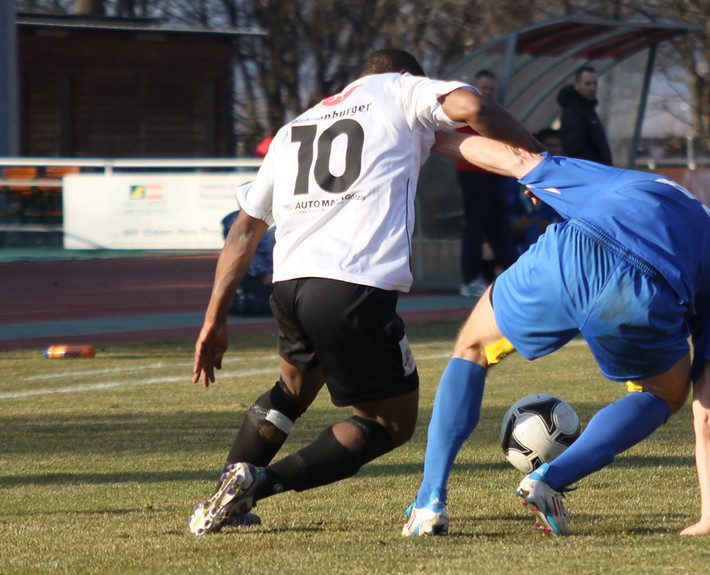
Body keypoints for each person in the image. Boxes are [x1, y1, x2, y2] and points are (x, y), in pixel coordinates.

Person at [188, 49, 541, 536]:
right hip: (353, 286)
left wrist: (214, 318)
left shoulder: (298, 126)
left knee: (293, 391)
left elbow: (245, 231)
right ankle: (258, 483)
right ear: (407, 74)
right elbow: (475, 108)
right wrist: (541, 160)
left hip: (290, 285)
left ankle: (221, 496)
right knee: (390, 424)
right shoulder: (402, 90)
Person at [402, 130, 710, 537]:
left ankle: (429, 502)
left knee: (472, 348)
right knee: (663, 393)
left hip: (570, 258)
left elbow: (515, 160)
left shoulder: (631, 181)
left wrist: (431, 138)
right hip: (644, 295)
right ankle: (550, 478)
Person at [455, 70, 519, 298]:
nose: (488, 92)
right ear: (475, 88)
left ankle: (515, 275)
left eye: (492, 88)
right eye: (484, 88)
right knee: (476, 226)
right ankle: (470, 279)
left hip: (494, 173)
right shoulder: (468, 111)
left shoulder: (495, 112)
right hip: (473, 173)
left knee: (498, 226)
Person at [220, 205, 274, 316]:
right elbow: (244, 250)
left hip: (269, 271)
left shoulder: (268, 217)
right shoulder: (235, 220)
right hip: (251, 274)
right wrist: (263, 274)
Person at [557, 66, 613, 165]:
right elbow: (575, 148)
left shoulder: (588, 110)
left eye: (595, 83)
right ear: (577, 85)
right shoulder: (573, 112)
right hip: (590, 172)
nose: (592, 88)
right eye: (587, 84)